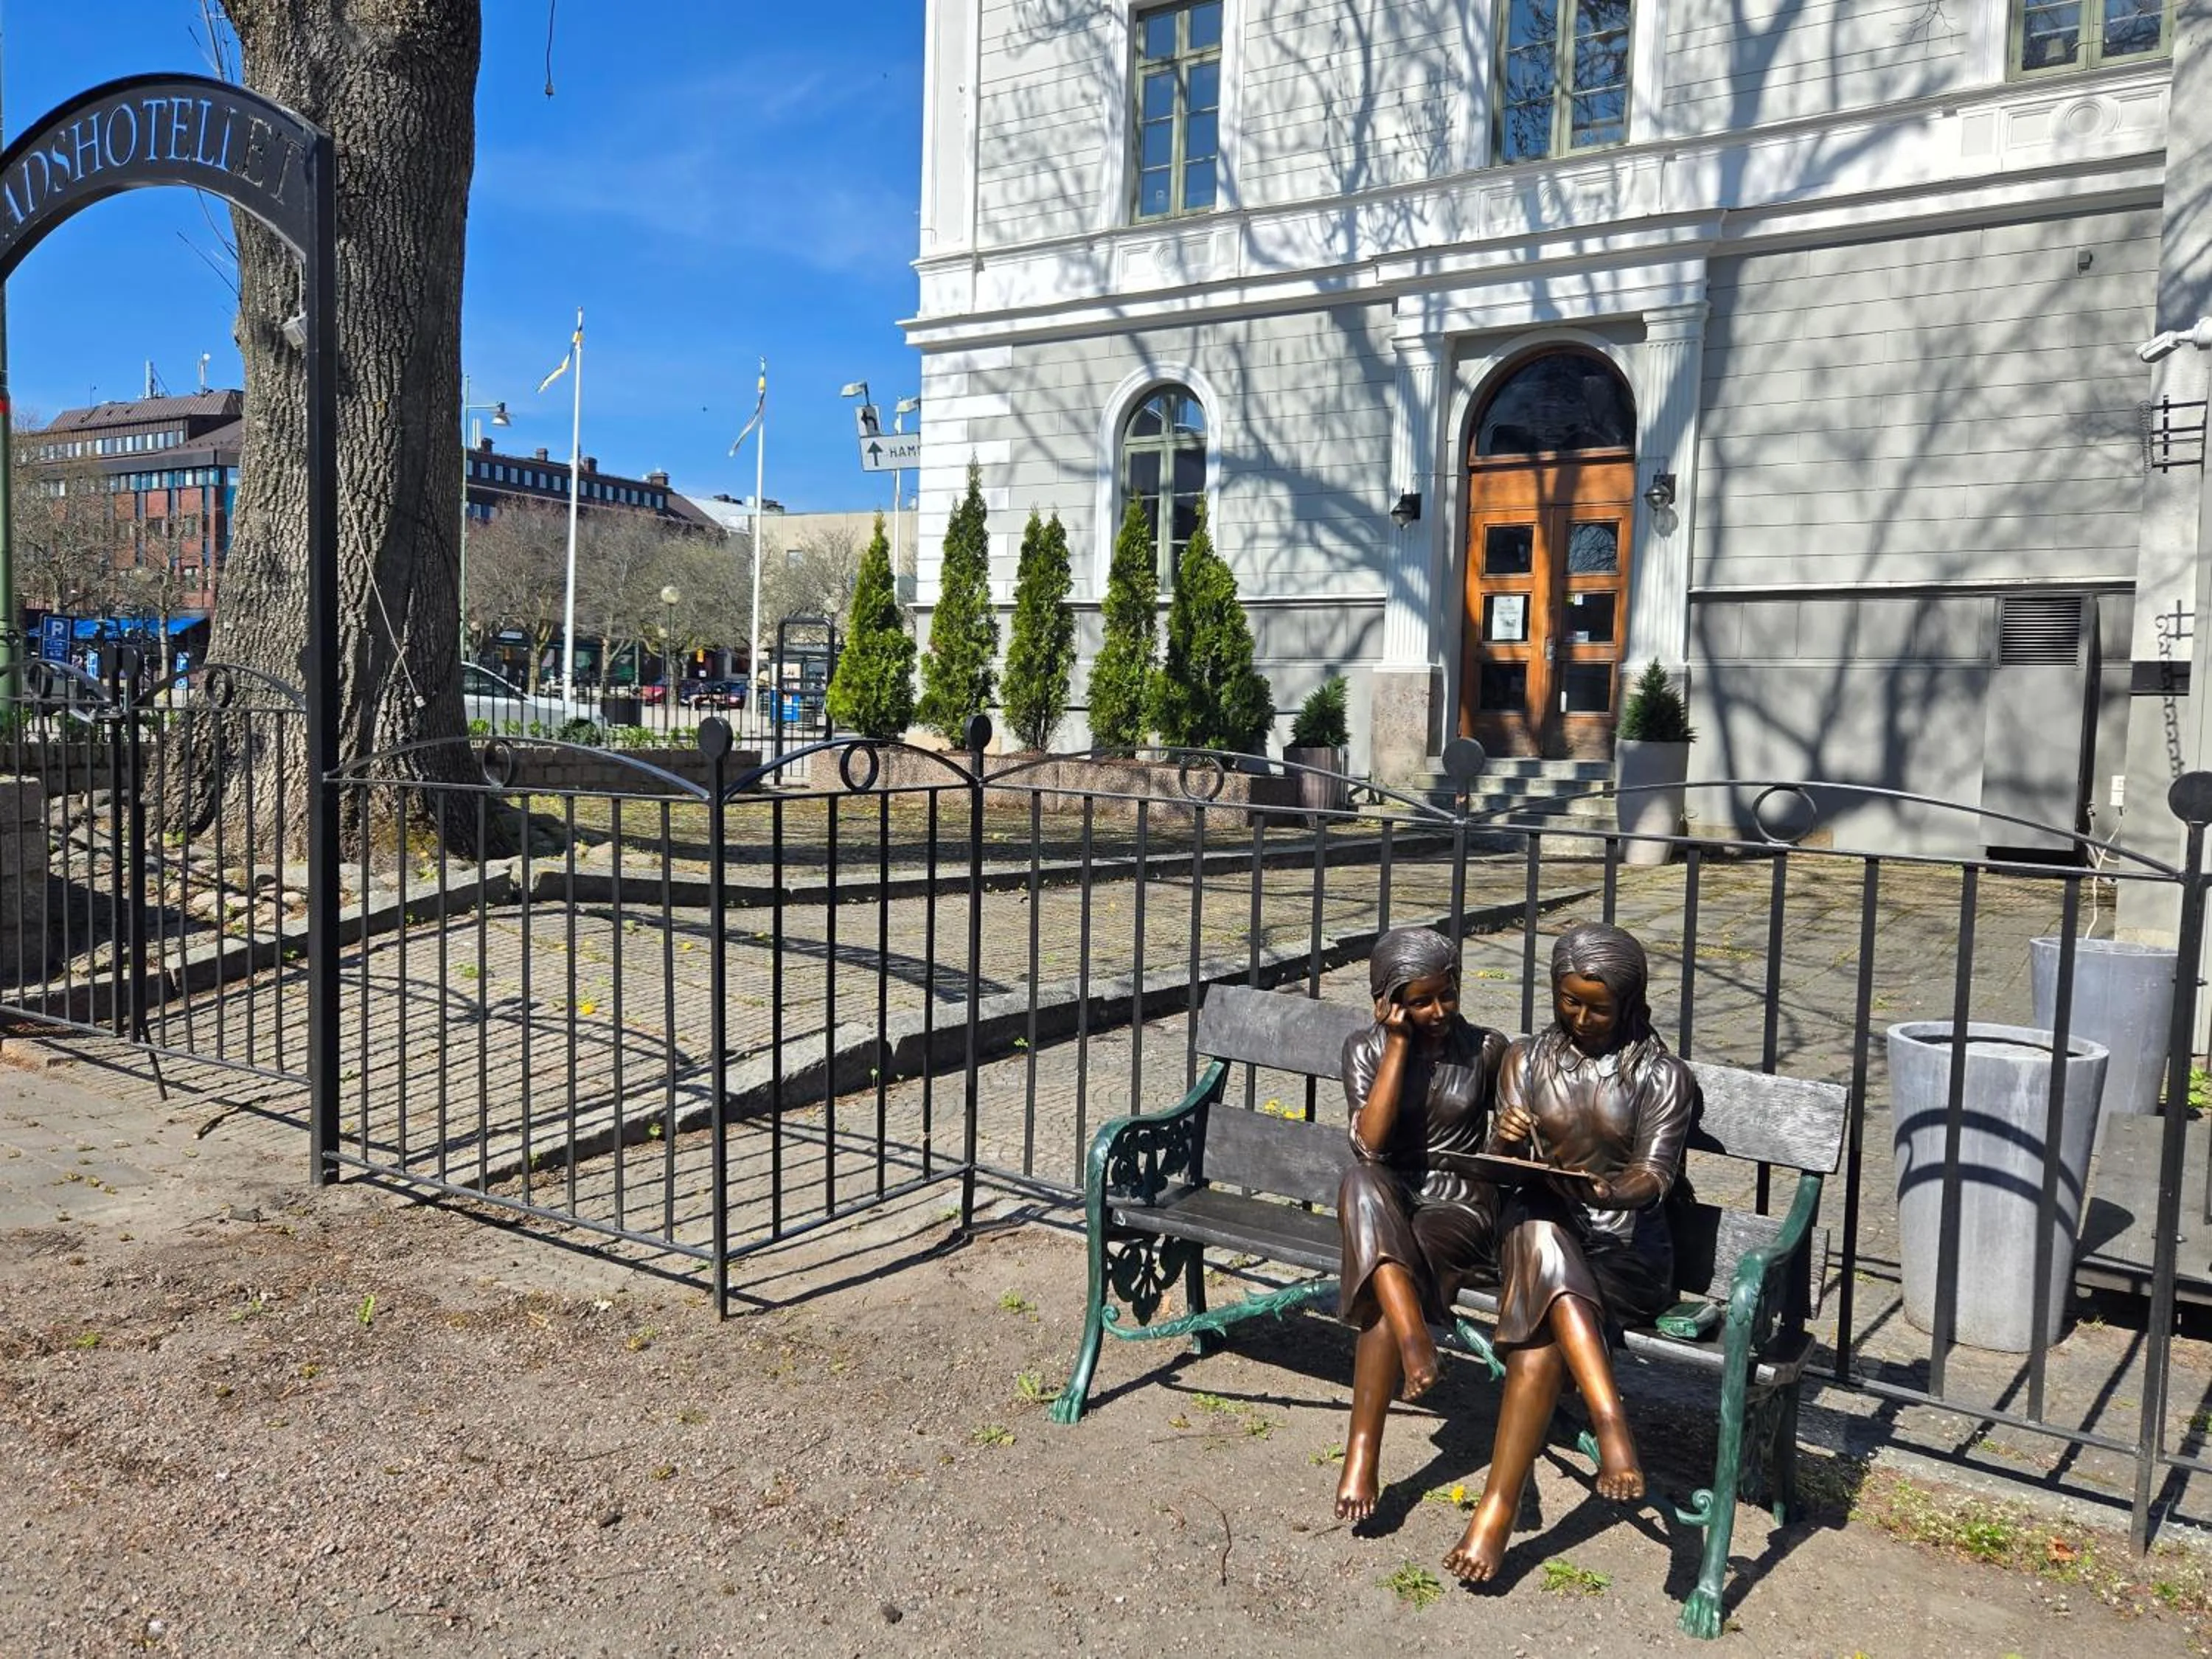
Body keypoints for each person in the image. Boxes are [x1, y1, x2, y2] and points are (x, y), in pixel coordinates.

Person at [1444, 921, 1694, 1582]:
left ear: (1632, 1003)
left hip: (1623, 1255)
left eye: (1599, 1006)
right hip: (1538, 1237)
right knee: (1536, 1229)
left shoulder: (1662, 1076)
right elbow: (1497, 1173)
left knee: (1540, 1320)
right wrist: (1504, 1141)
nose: (1581, 1018)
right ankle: (1612, 1423)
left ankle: (1494, 1515)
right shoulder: (1526, 1061)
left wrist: (1611, 1188)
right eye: (1569, 1000)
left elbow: (1655, 1175)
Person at [1333, 925, 1508, 1522]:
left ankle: (1362, 1453)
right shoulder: (1363, 1049)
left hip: (1459, 1207)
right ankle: (1415, 1339)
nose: (1438, 1011)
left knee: (1388, 1281)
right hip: (1389, 1193)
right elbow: (1372, 1148)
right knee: (1360, 1182)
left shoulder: (1486, 1049)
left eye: (1447, 995)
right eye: (1421, 1001)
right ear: (1387, 1001)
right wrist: (1399, 1048)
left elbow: (1513, 1142)